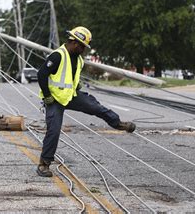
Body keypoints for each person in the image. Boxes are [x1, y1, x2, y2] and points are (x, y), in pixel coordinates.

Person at [36, 26, 136, 177]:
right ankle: (44, 164)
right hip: (55, 100)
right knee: (54, 130)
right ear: (75, 43)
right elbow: (41, 75)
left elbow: (69, 76)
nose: (84, 49)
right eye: (83, 46)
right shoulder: (58, 56)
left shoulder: (79, 60)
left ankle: (118, 123)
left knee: (95, 107)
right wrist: (47, 95)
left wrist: (77, 85)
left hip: (71, 96)